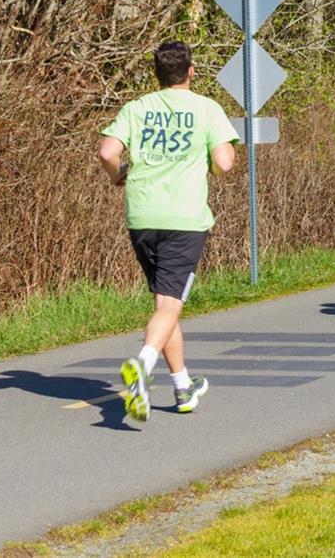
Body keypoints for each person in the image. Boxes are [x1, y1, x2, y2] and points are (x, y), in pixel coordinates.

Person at [97, 41, 238, 422]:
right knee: (171, 303)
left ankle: (182, 386)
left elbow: (107, 152)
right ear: (191, 71)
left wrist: (117, 176)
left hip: (143, 215)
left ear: (156, 73)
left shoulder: (137, 107)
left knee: (164, 302)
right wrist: (211, 165)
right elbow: (225, 162)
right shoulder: (206, 108)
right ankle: (142, 365)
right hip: (184, 218)